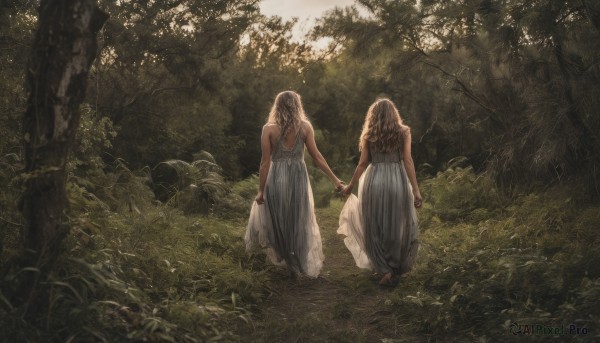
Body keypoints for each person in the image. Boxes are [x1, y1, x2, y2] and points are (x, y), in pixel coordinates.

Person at [245, 91, 344, 278]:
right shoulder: (305, 127)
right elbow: (317, 157)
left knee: (278, 219)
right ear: (297, 106)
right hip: (298, 178)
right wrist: (335, 179)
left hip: (276, 178)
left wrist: (261, 191)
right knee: (299, 218)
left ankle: (287, 259)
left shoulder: (268, 129)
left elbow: (265, 162)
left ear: (277, 106)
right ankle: (296, 262)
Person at [338, 98, 422, 286]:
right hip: (397, 181)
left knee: (374, 225)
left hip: (374, 181)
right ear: (395, 113)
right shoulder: (404, 132)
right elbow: (408, 161)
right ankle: (394, 266)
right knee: (397, 223)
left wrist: (351, 186)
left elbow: (362, 163)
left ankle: (383, 268)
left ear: (373, 115)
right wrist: (416, 190)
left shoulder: (369, 134)